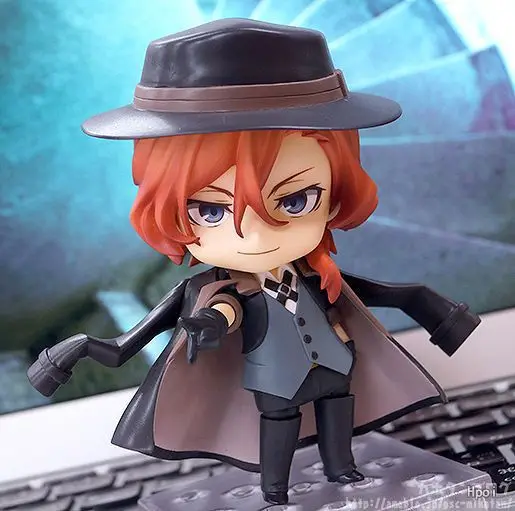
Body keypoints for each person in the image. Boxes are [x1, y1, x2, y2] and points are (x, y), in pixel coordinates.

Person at [27, 19, 481, 506]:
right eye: (211, 211)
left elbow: (374, 292)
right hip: (276, 378)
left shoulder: (313, 272)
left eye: (295, 201)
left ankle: (342, 467)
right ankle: (276, 489)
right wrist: (90, 347)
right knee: (280, 423)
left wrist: (428, 306)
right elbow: (179, 326)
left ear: (335, 194)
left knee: (336, 408)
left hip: (333, 363)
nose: (256, 235)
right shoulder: (219, 291)